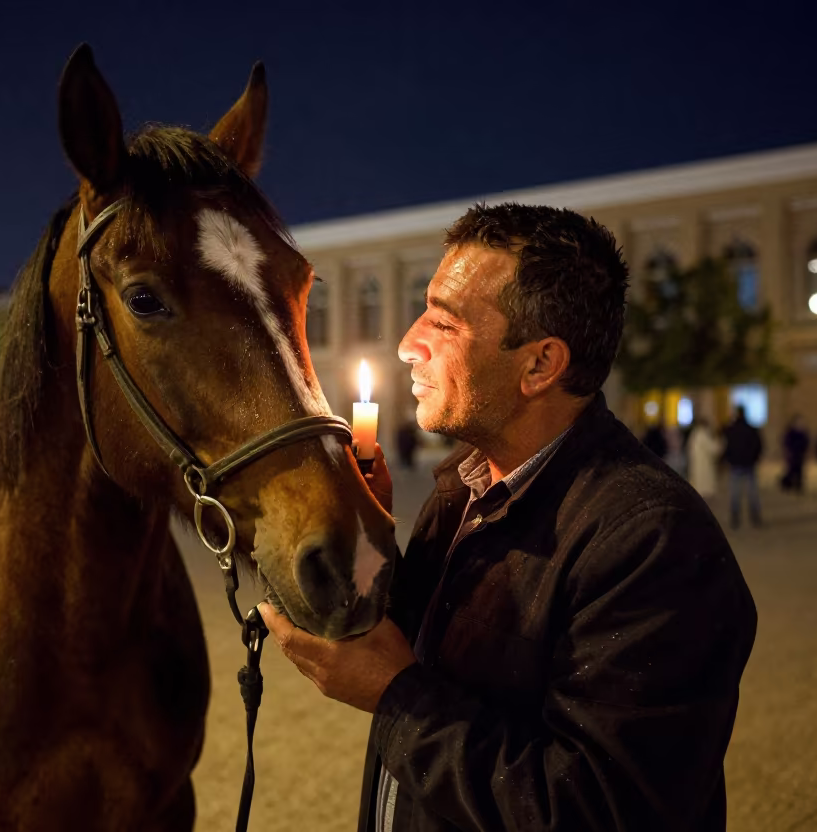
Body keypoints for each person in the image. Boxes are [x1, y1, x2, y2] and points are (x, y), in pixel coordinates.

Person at [259, 203, 757, 831]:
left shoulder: (653, 542)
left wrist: (395, 699)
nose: (408, 342)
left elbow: (599, 811)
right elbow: (410, 641)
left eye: (445, 322)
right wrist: (364, 532)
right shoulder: (463, 488)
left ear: (541, 365)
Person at [722, 406, 764, 529]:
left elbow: (727, 446)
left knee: (735, 492)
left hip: (736, 464)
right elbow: (759, 445)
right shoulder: (751, 429)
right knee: (752, 492)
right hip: (749, 464)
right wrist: (754, 458)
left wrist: (729, 459)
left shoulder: (731, 430)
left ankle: (735, 517)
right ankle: (755, 516)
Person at [687, 416, 723, 498]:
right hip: (704, 465)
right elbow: (713, 448)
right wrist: (720, 442)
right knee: (703, 487)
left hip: (697, 464)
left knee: (698, 482)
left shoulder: (694, 434)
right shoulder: (703, 435)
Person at [780, 415, 810, 493]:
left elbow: (806, 443)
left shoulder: (802, 432)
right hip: (793, 455)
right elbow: (787, 442)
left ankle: (798, 486)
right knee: (791, 470)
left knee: (799, 471)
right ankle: (788, 485)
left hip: (800, 455)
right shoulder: (791, 432)